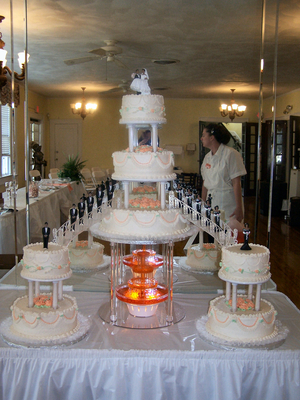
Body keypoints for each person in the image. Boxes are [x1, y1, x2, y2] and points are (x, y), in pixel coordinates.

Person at [201, 123, 247, 223]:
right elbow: (205, 183)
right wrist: (202, 205)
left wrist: (239, 207)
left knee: (228, 235)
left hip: (228, 204)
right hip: (211, 203)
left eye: (204, 135)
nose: (201, 138)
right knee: (213, 235)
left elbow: (236, 182)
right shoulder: (207, 157)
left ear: (212, 137)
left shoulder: (231, 154)